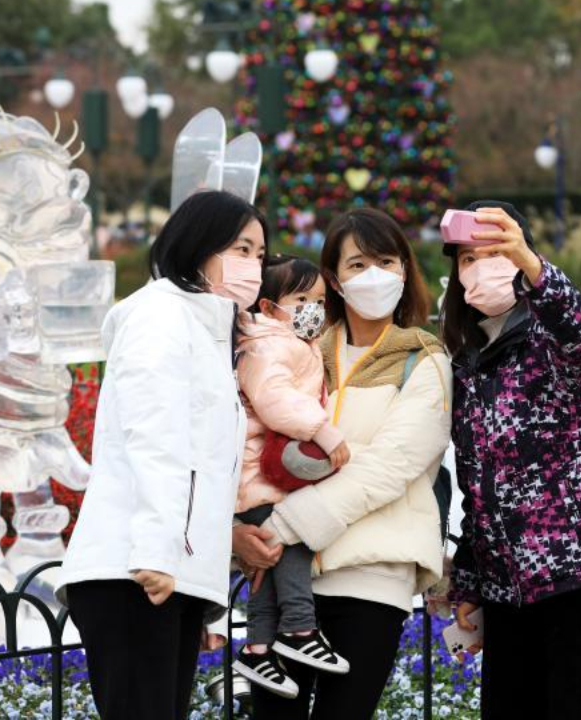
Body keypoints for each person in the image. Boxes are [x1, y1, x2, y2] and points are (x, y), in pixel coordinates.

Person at [57, 191, 270, 720]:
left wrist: (204, 590)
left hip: (166, 574)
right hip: (133, 571)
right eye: (242, 248)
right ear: (199, 244)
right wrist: (155, 552)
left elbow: (207, 472)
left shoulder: (205, 327)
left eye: (261, 254)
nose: (254, 265)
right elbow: (157, 438)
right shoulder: (160, 315)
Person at [235, 207, 452, 719]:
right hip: (291, 582)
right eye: (357, 265)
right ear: (333, 277)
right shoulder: (299, 352)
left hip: (369, 575)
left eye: (386, 261)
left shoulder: (423, 359)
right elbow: (249, 435)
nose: (373, 275)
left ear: (404, 271)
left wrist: (283, 527)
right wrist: (237, 530)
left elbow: (390, 466)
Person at [442, 201, 581, 719]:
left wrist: (531, 264)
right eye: (465, 260)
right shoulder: (464, 363)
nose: (479, 268)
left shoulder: (551, 340)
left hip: (578, 575)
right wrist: (470, 581)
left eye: (493, 252)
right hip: (506, 589)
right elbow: (475, 486)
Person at [232, 255, 352, 697]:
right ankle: (300, 631)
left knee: (267, 562)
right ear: (267, 306)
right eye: (301, 298)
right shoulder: (268, 344)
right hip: (257, 475)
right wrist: (322, 431)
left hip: (258, 478)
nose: (313, 308)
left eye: (319, 299)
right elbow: (275, 398)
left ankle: (258, 649)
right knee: (294, 543)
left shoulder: (286, 342)